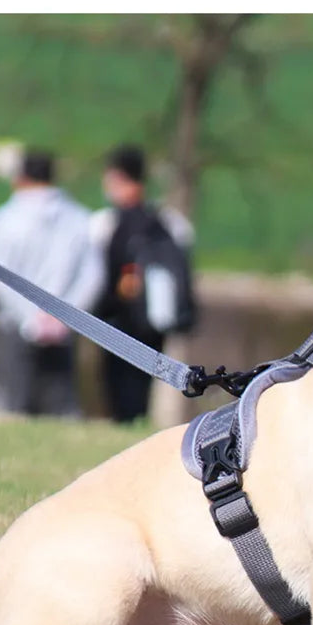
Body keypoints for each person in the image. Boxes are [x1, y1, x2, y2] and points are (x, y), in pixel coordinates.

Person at [0, 150, 103, 417]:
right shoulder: (79, 217)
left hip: (17, 324)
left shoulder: (4, 218)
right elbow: (92, 275)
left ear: (21, 177)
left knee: (16, 404)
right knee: (62, 406)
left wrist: (31, 318)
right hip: (64, 326)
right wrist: (64, 316)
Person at [90, 144, 197, 423]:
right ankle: (136, 421)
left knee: (118, 388)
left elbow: (97, 277)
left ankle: (124, 424)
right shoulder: (169, 222)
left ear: (117, 177)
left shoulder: (105, 224)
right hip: (154, 319)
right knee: (143, 384)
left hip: (116, 318)